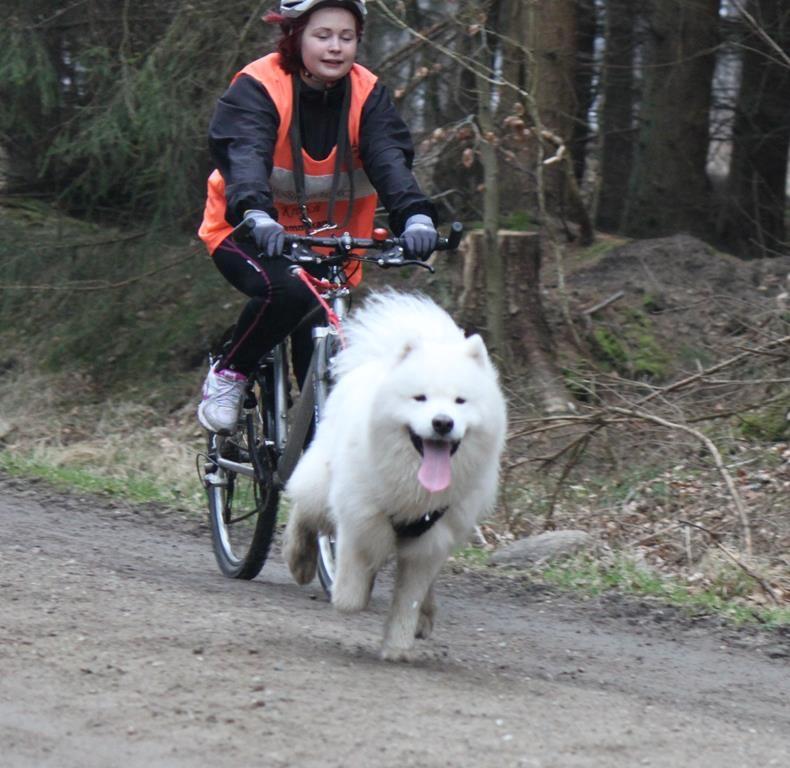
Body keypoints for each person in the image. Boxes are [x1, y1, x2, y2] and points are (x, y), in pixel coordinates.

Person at [196, 0, 438, 434]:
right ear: (296, 36)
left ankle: (314, 466)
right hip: (248, 231)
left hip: (331, 244)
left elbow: (389, 160)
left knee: (324, 367)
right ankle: (230, 372)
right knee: (290, 294)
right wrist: (255, 210)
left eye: (346, 37)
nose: (335, 48)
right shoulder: (260, 86)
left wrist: (416, 217)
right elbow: (245, 150)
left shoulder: (368, 94)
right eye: (322, 35)